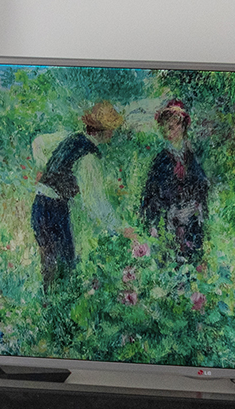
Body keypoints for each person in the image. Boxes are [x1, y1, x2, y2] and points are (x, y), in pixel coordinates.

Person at [30, 100, 126, 289]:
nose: (113, 134)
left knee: (49, 266)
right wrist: (119, 229)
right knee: (65, 265)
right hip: (54, 210)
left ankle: (49, 309)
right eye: (112, 129)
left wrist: (45, 169)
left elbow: (38, 142)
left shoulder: (70, 138)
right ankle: (59, 311)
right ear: (105, 131)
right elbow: (95, 202)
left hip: (40, 205)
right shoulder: (89, 157)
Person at [139, 99, 209, 262]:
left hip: (190, 228)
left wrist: (193, 207)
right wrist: (166, 214)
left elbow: (201, 188)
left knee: (191, 269)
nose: (168, 129)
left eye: (172, 125)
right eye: (165, 125)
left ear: (183, 126)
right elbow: (149, 196)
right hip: (166, 226)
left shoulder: (192, 159)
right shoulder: (161, 161)